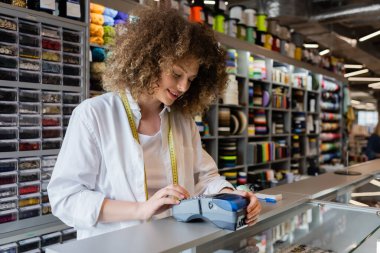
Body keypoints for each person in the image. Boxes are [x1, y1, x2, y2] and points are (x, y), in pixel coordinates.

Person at [47, 7, 261, 240]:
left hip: (174, 243)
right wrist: (142, 209)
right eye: (176, 74)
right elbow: (66, 198)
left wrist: (234, 196)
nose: (183, 88)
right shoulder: (93, 115)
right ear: (149, 60)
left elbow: (205, 179)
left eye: (191, 79)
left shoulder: (182, 121)